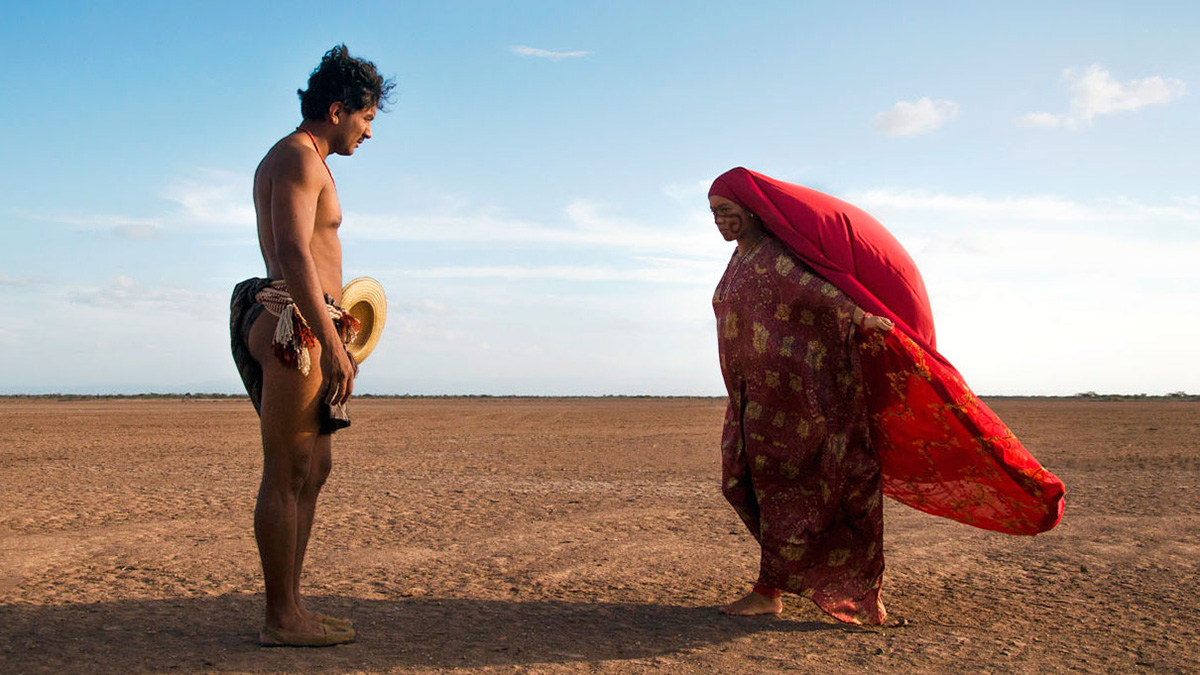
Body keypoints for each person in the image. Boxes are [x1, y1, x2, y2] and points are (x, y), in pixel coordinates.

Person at [708, 168, 1065, 624]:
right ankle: (778, 584)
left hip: (799, 403)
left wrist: (859, 317)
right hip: (752, 401)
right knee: (744, 485)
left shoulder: (774, 257)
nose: (719, 222)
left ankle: (796, 590)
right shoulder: (740, 260)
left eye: (727, 212)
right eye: (714, 214)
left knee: (798, 493)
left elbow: (817, 294)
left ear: (752, 210)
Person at [229, 44, 394, 647]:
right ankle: (280, 617)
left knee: (314, 468)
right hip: (294, 325)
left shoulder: (304, 159)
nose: (369, 132)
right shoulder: (299, 158)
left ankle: (292, 605)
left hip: (308, 319)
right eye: (367, 118)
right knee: (288, 469)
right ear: (336, 108)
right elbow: (296, 253)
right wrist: (330, 340)